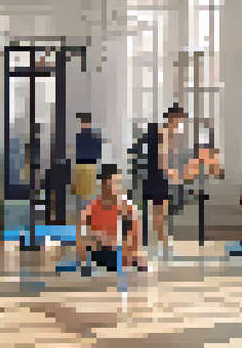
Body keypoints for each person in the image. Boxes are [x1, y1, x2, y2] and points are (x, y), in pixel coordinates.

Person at [78, 163, 147, 274]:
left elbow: (133, 236)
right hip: (101, 252)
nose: (112, 188)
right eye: (109, 183)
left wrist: (135, 254)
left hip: (121, 252)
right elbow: (84, 235)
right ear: (103, 184)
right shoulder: (92, 207)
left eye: (115, 183)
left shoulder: (126, 207)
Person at [141, 105, 187, 255]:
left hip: (154, 176)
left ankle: (161, 244)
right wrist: (172, 174)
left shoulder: (161, 132)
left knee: (159, 213)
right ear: (173, 118)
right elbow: (162, 158)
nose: (179, 124)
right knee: (161, 213)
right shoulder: (164, 133)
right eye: (179, 120)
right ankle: (164, 245)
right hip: (159, 178)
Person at [71, 112, 103, 216]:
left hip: (89, 168)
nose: (82, 125)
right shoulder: (79, 137)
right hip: (82, 167)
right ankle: (84, 216)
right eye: (82, 123)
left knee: (89, 196)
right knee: (81, 196)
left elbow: (98, 155)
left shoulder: (94, 138)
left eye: (84, 122)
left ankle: (88, 216)